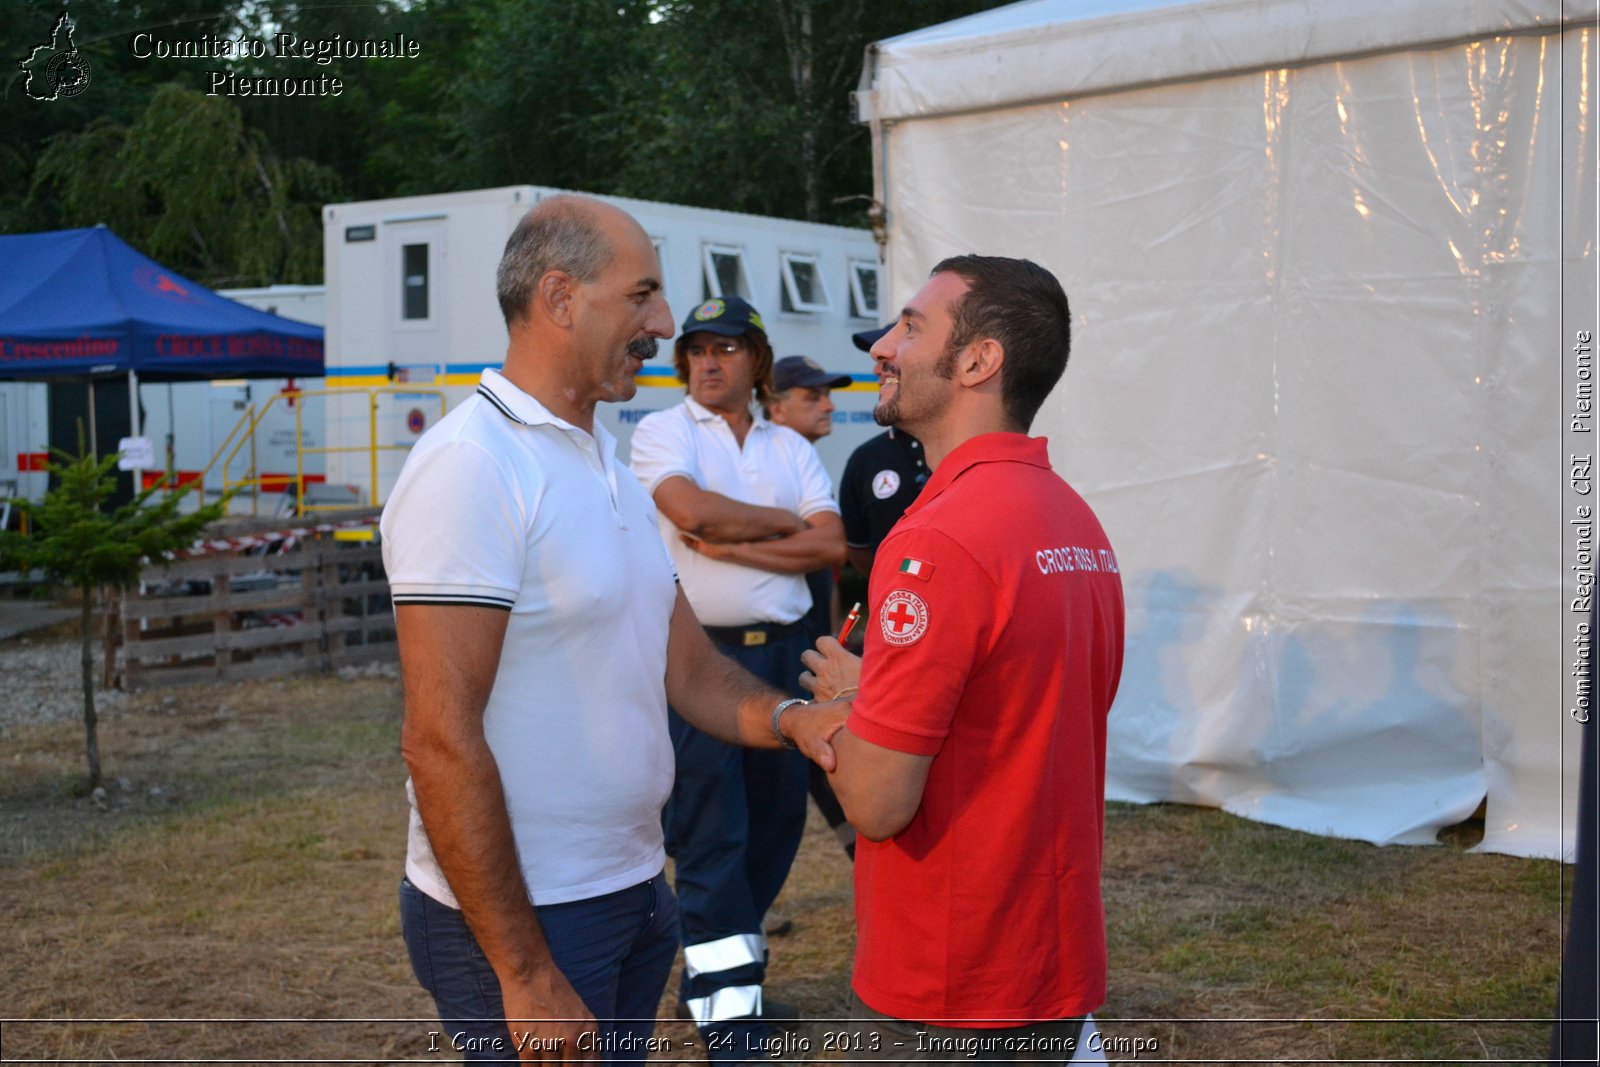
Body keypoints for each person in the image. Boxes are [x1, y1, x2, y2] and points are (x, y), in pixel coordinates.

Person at [381, 196, 842, 1065]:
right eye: (642, 297)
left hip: (633, 891)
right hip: (533, 918)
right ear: (560, 298)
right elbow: (438, 739)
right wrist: (523, 970)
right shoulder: (473, 467)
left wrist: (794, 721)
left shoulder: (605, 460)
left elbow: (690, 669)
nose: (662, 324)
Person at [794, 255, 1126, 1060]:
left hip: (954, 981)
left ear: (979, 362)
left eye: (911, 326)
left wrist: (831, 712)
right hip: (1046, 959)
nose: (881, 345)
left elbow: (876, 802)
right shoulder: (1073, 519)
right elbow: (1008, 715)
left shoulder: (936, 539)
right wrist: (880, 688)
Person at [628, 298, 846, 1058]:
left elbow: (831, 544)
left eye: (726, 347)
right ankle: (730, 1021)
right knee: (711, 832)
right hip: (702, 661)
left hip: (784, 653)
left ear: (756, 357)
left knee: (776, 830)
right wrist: (786, 522)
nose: (709, 360)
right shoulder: (662, 432)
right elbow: (692, 512)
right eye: (696, 349)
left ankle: (720, 983)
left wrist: (741, 538)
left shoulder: (789, 443)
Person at [764, 354, 858, 862]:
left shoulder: (807, 467)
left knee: (830, 764)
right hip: (773, 658)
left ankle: (864, 857)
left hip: (811, 650)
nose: (828, 405)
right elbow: (825, 549)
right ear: (774, 409)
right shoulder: (763, 473)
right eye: (812, 396)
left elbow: (830, 560)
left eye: (828, 393)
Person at [837, 327, 929, 649]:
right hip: (892, 631)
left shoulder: (970, 452)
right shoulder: (866, 459)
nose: (877, 368)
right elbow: (858, 548)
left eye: (894, 351)